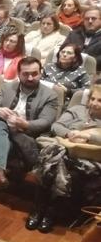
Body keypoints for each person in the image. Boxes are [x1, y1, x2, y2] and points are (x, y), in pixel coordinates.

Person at [0, 57, 58, 214]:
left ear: (41, 72)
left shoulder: (50, 95)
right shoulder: (8, 87)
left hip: (25, 137)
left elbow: (46, 122)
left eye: (35, 74)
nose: (30, 78)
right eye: (26, 74)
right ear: (18, 74)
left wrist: (24, 124)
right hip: (2, 131)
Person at [28, 85, 101, 233]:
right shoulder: (78, 110)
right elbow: (57, 126)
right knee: (52, 163)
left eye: (100, 100)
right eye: (92, 98)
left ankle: (49, 212)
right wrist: (70, 133)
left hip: (90, 159)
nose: (94, 103)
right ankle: (40, 210)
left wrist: (88, 137)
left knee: (58, 167)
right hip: (64, 150)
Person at [41, 43, 91, 107]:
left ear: (75, 57)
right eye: (62, 52)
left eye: (69, 53)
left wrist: (68, 91)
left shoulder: (81, 72)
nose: (64, 54)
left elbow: (87, 90)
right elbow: (39, 82)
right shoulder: (49, 67)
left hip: (65, 103)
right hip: (43, 97)